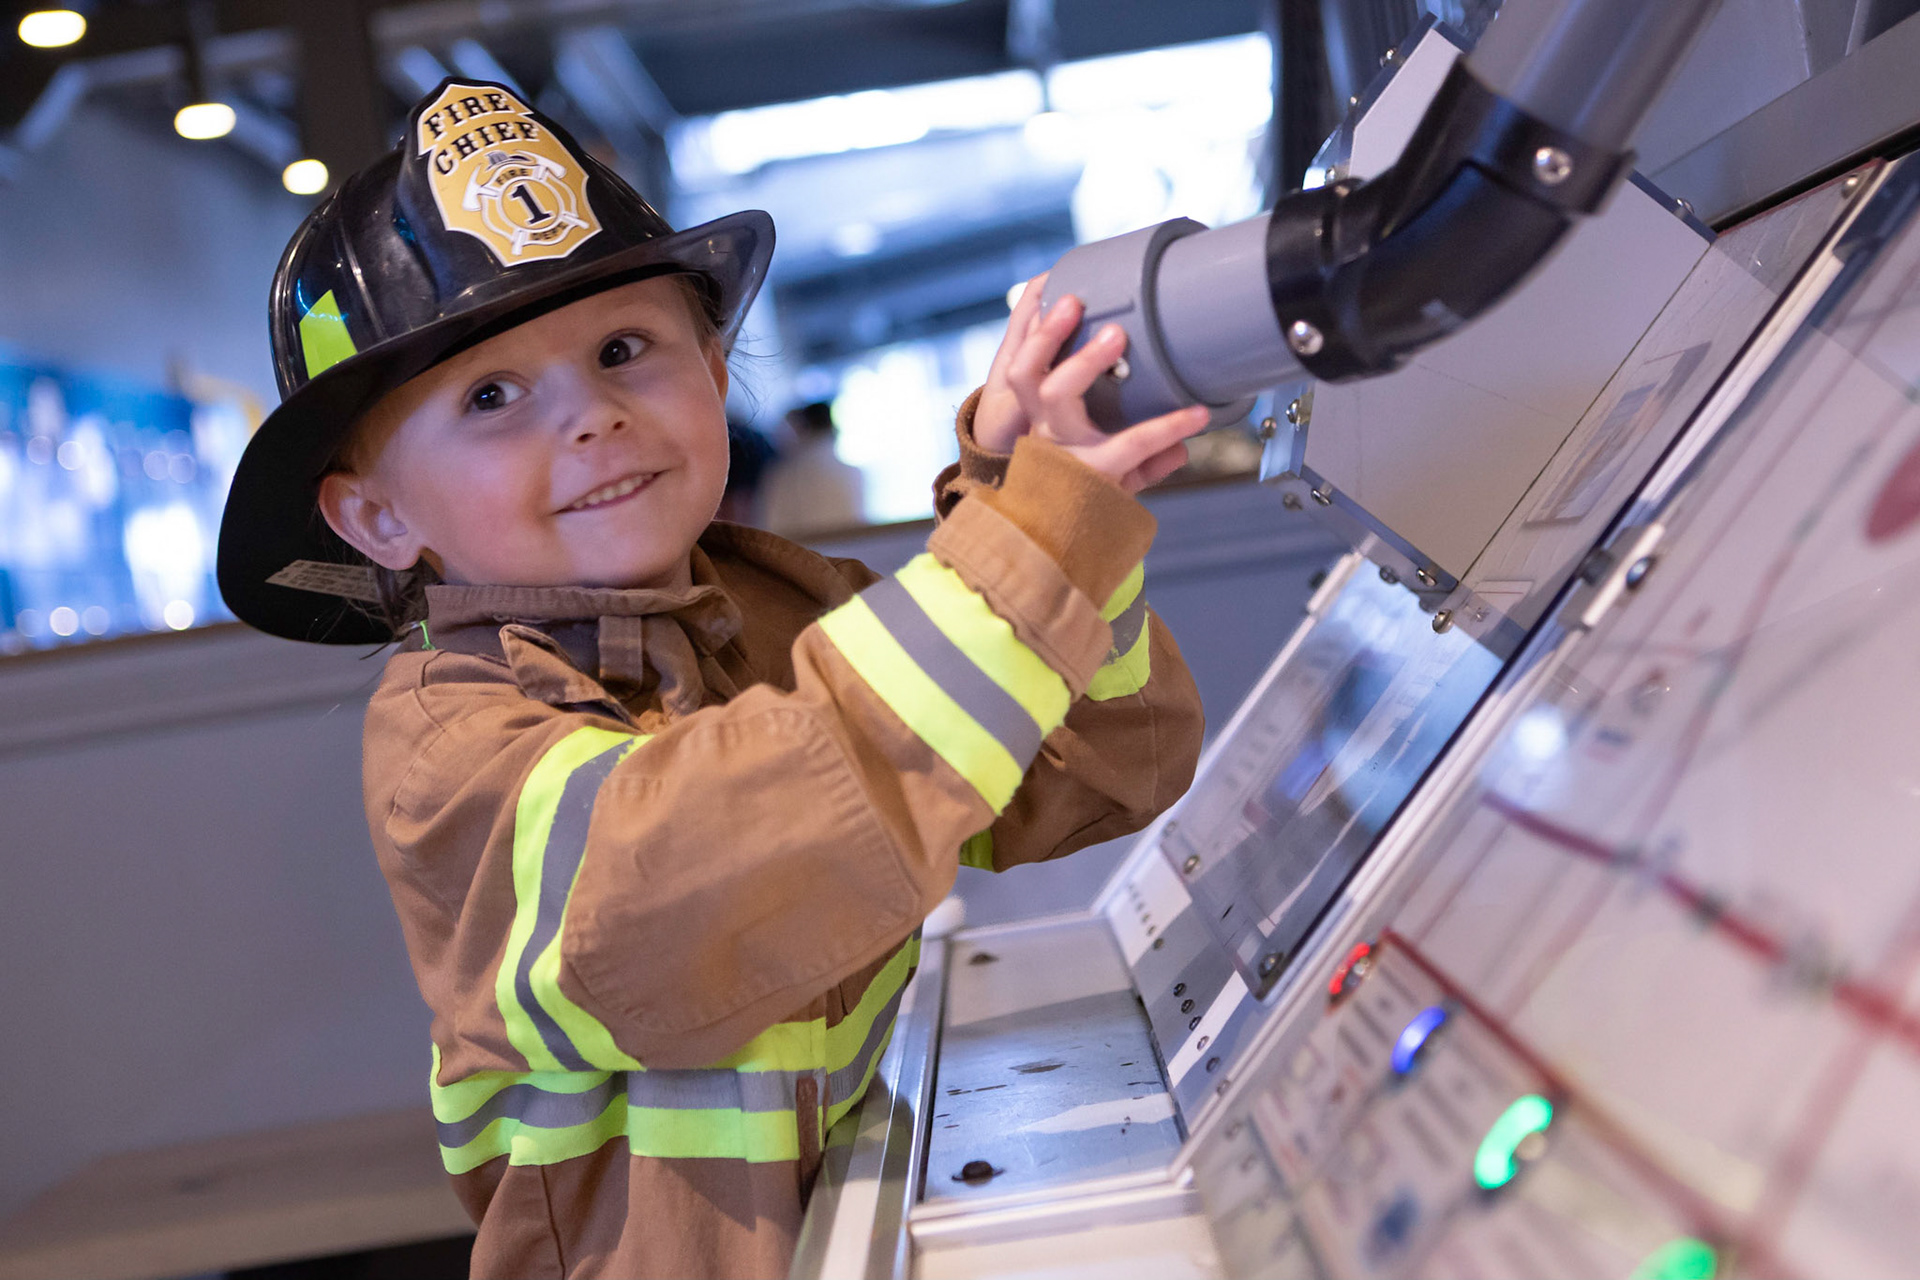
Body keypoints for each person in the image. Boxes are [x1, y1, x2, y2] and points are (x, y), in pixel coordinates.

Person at [216, 79, 1205, 1280]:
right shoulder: (447, 746)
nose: (593, 415)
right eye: (490, 397)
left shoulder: (774, 604)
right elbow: (691, 869)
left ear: (716, 364)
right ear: (373, 514)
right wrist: (1032, 540)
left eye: (624, 348)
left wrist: (1022, 488)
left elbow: (1099, 770)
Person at [756, 399, 864, 537]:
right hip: (848, 550)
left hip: (797, 552)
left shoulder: (782, 473)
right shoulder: (852, 473)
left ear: (802, 427)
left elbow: (770, 525)